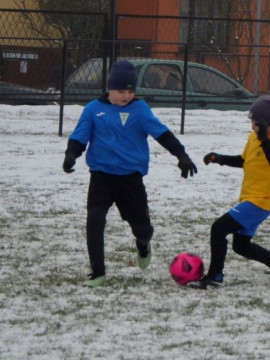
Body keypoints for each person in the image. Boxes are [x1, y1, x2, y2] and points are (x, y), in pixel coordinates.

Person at [62, 60, 198, 287]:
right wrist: (71, 155)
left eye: (130, 90)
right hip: (101, 176)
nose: (126, 95)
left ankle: (143, 245)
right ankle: (98, 273)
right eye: (120, 90)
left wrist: (181, 155)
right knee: (94, 219)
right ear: (109, 87)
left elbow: (162, 134)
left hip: (130, 179)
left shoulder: (140, 110)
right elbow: (80, 136)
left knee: (143, 229)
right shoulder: (93, 110)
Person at [189, 94, 270, 289]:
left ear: (266, 123)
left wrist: (264, 140)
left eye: (255, 121)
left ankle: (214, 278)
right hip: (250, 198)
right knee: (241, 246)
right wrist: (219, 158)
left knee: (219, 228)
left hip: (261, 201)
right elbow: (243, 161)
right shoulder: (254, 137)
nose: (252, 124)